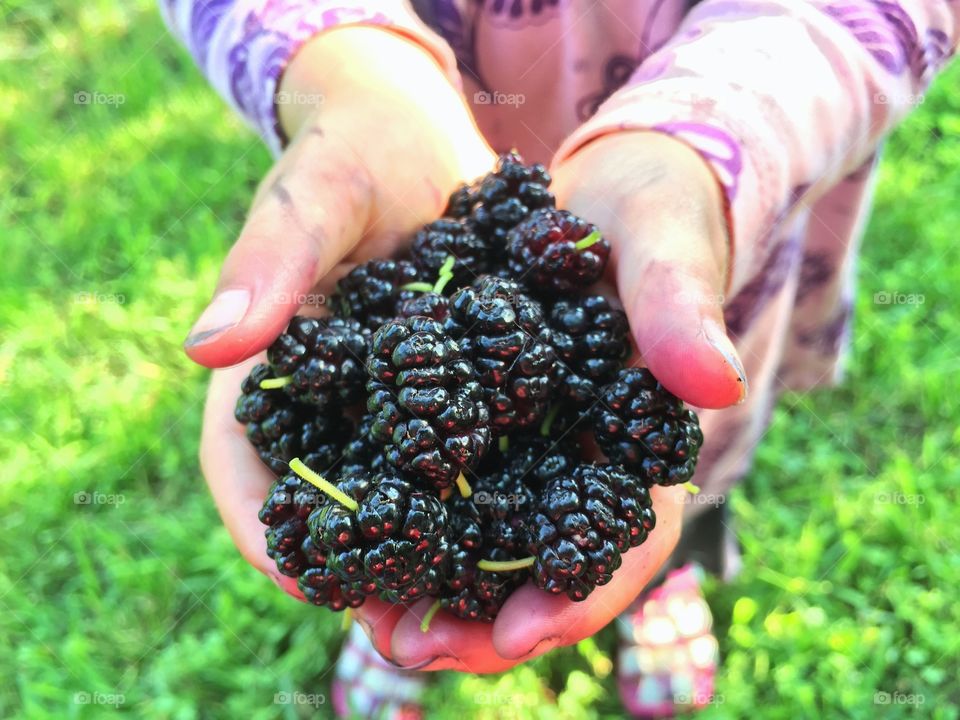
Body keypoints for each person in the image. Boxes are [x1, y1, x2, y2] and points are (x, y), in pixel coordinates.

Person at [163, 1, 957, 716]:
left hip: (708, 229)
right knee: (438, 566)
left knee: (692, 448)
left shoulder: (563, 355)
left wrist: (692, 144)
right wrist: (357, 74)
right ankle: (405, 590)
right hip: (449, 169)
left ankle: (670, 569)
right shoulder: (422, 374)